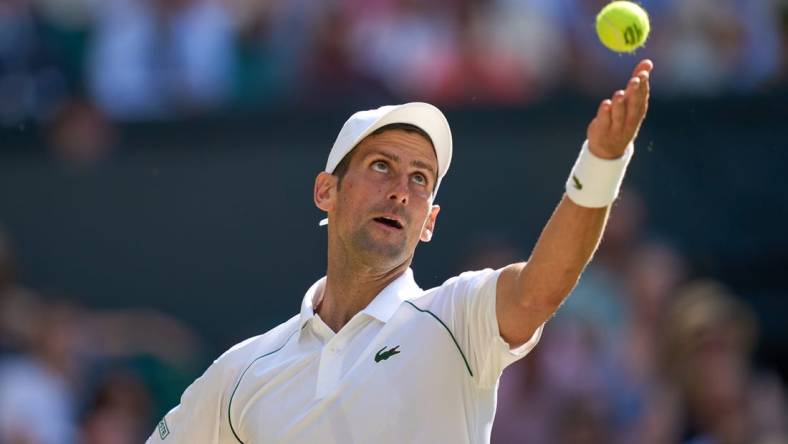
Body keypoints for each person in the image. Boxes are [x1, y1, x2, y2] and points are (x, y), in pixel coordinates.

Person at [148, 59, 654, 443]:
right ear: (326, 191)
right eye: (381, 167)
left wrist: (602, 164)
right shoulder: (241, 372)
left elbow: (540, 289)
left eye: (420, 179)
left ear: (429, 222)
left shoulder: (456, 318)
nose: (401, 192)